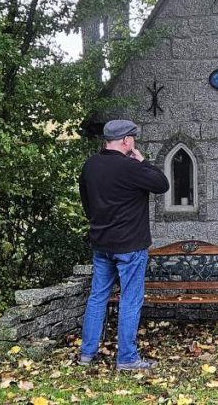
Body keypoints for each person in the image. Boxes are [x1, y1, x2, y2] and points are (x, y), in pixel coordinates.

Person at [77, 119, 169, 370]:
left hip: (101, 243)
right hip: (130, 245)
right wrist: (143, 161)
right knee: (130, 299)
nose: (134, 142)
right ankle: (127, 358)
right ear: (127, 140)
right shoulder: (131, 167)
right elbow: (162, 184)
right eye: (133, 138)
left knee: (97, 297)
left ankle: (87, 354)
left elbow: (86, 201)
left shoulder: (90, 166)